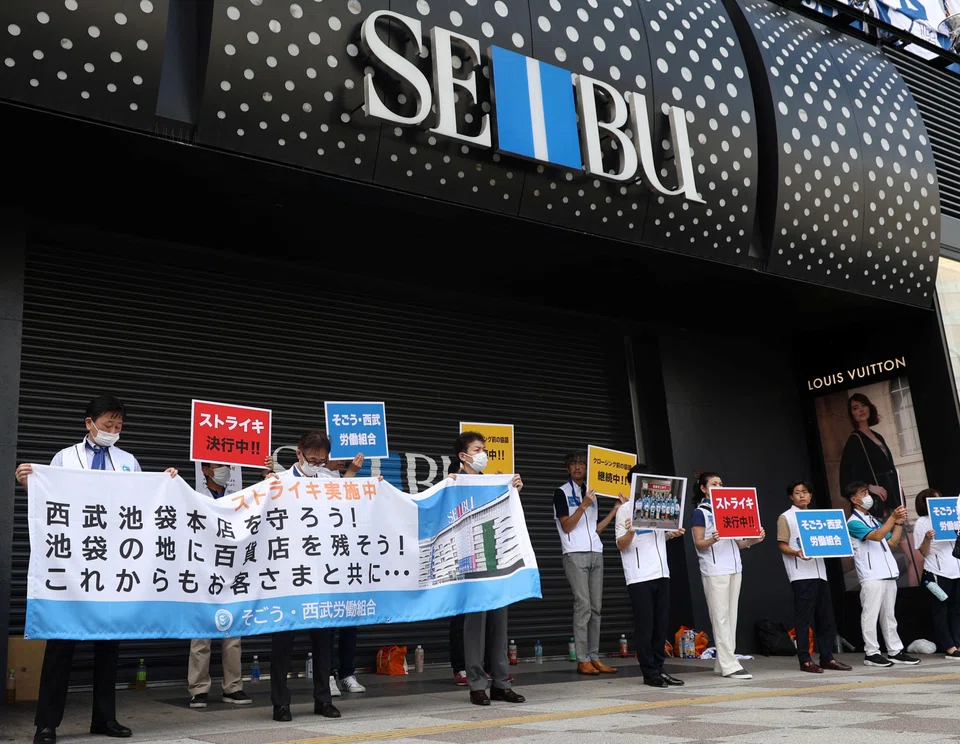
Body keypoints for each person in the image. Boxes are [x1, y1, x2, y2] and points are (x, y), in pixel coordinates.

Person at [14, 394, 178, 744]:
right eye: (107, 424)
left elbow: (143, 503)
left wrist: (165, 483)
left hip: (113, 565)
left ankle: (104, 719)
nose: (113, 431)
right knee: (61, 647)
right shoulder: (64, 458)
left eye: (118, 426)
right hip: (72, 564)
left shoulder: (127, 460)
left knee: (109, 647)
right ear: (89, 423)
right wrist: (29, 482)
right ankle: (47, 724)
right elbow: (49, 498)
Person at [268, 430, 341, 722]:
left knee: (324, 640)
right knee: (283, 641)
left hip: (322, 572)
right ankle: (280, 703)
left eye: (323, 460)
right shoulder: (279, 482)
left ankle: (323, 699)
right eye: (312, 459)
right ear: (298, 453)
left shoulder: (331, 481)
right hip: (288, 572)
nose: (318, 464)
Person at [454, 431, 525, 706]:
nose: (483, 453)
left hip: (497, 558)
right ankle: (477, 684)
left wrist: (513, 489)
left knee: (499, 623)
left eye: (484, 448)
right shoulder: (453, 483)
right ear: (463, 455)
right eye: (477, 448)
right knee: (475, 625)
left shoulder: (494, 482)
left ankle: (501, 683)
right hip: (470, 562)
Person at [187, 463, 253, 708]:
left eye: (226, 466)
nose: (224, 471)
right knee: (201, 637)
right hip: (202, 574)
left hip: (231, 573)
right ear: (205, 470)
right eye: (217, 467)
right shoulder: (194, 497)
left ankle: (233, 687)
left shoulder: (238, 499)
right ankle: (198, 689)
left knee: (232, 637)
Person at [690, 471, 765, 680]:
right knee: (720, 617)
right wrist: (714, 539)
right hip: (715, 569)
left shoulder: (729, 509)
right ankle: (729, 664)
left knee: (731, 616)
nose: (719, 487)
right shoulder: (701, 512)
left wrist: (754, 540)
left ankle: (723, 661)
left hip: (734, 566)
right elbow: (699, 543)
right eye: (714, 484)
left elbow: (739, 543)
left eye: (721, 484)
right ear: (703, 489)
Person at [553, 450, 621, 676]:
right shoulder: (561, 493)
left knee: (596, 608)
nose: (578, 467)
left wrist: (614, 510)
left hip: (596, 552)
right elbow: (567, 526)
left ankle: (594, 656)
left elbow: (596, 529)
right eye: (573, 464)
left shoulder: (593, 495)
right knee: (583, 606)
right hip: (574, 554)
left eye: (582, 463)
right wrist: (582, 505)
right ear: (567, 469)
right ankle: (582, 659)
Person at [616, 464, 685, 688]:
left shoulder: (659, 505)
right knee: (645, 626)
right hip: (639, 576)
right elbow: (621, 544)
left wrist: (671, 534)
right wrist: (631, 530)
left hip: (661, 572)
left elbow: (655, 540)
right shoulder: (625, 510)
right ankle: (648, 672)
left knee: (660, 624)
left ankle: (659, 668)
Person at [776, 481, 852, 674]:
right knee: (804, 619)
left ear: (810, 496)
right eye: (797, 493)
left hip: (820, 573)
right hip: (801, 573)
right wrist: (796, 552)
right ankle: (805, 659)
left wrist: (843, 549)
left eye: (805, 492)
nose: (802, 496)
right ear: (791, 497)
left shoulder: (819, 517)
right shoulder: (786, 517)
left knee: (826, 617)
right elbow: (782, 544)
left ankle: (827, 657)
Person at [844, 481, 919, 667]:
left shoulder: (873, 519)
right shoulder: (853, 522)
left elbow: (892, 541)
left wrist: (899, 522)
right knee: (870, 615)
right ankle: (871, 652)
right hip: (871, 575)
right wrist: (892, 518)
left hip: (887, 573)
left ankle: (894, 650)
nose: (868, 496)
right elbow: (876, 536)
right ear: (854, 499)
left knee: (889, 615)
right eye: (863, 493)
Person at [324, 457, 366, 696]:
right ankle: (327, 674)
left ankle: (347, 673)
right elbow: (334, 497)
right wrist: (351, 472)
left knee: (350, 621)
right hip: (324, 561)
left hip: (348, 558)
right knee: (328, 624)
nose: (341, 460)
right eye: (336, 455)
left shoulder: (345, 478)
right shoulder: (315, 479)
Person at [839, 393, 901, 522]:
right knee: (888, 537)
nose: (861, 410)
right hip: (878, 499)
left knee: (902, 534)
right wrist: (870, 487)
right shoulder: (855, 440)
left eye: (863, 405)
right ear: (852, 414)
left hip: (893, 493)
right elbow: (848, 477)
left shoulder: (878, 436)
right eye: (856, 408)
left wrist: (899, 488)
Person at [916, 489, 960, 659]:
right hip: (937, 572)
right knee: (940, 610)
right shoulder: (922, 522)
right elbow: (923, 552)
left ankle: (957, 642)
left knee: (956, 608)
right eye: (935, 500)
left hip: (956, 570)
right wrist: (927, 538)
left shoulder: (953, 518)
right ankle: (948, 646)